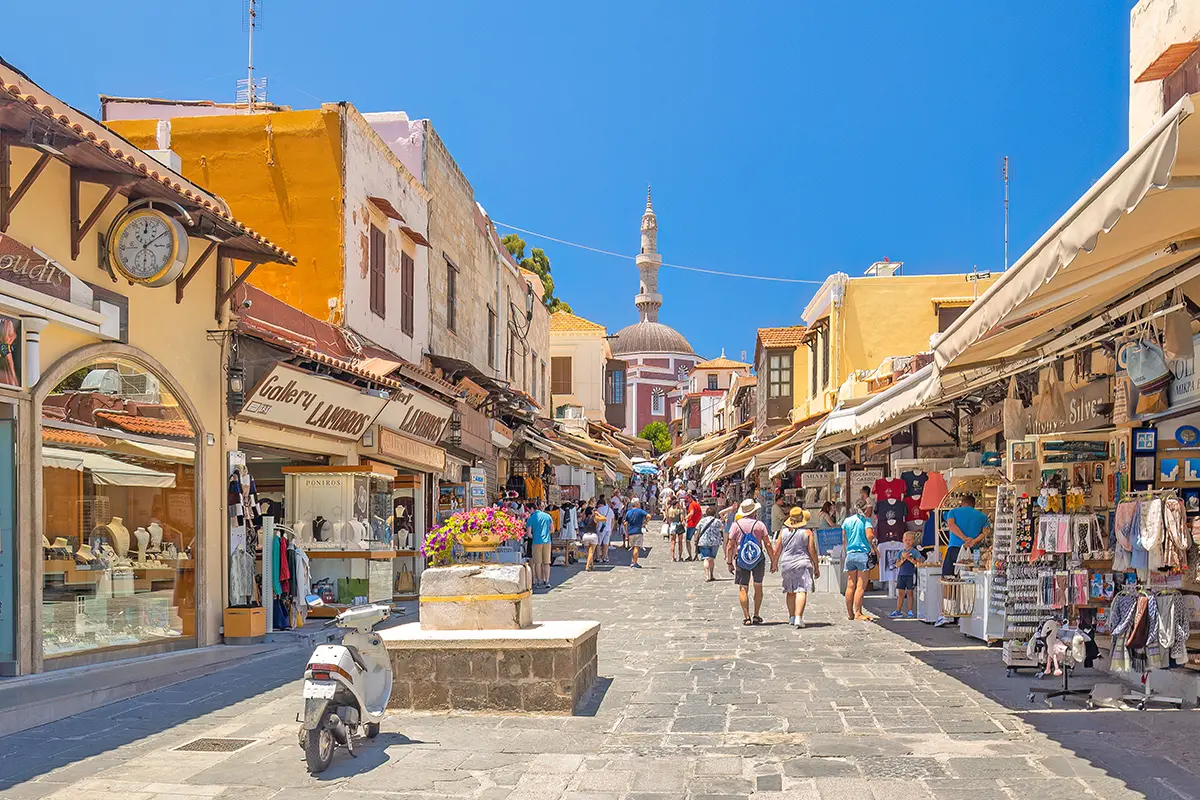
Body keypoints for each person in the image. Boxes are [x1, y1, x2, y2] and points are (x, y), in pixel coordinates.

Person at [936, 494, 991, 627]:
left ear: (962, 503)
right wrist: (973, 541)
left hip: (955, 547)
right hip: (973, 550)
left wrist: (964, 538)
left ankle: (947, 614)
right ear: (974, 504)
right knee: (969, 581)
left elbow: (951, 526)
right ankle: (965, 615)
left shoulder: (953, 512)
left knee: (948, 580)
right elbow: (986, 532)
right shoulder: (982, 517)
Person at [726, 499, 772, 625]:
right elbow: (767, 544)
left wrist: (729, 562)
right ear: (754, 511)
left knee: (743, 588)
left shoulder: (736, 525)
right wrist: (773, 561)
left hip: (742, 559)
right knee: (758, 586)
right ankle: (756, 614)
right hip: (758, 559)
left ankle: (746, 617)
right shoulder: (760, 525)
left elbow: (730, 545)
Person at [775, 507, 820, 628]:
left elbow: (777, 549)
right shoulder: (807, 533)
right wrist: (816, 566)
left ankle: (791, 617)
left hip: (787, 563)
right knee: (801, 589)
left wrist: (774, 563)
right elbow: (812, 551)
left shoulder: (783, 532)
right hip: (803, 563)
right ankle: (799, 617)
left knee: (790, 591)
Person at [843, 499, 877, 622]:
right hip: (862, 554)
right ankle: (858, 612)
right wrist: (873, 547)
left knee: (850, 585)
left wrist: (847, 552)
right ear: (865, 509)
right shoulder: (866, 521)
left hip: (850, 554)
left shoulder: (847, 521)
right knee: (860, 586)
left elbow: (844, 540)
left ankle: (850, 613)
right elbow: (869, 535)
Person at [890, 531, 925, 619]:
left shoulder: (915, 552)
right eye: (906, 540)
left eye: (910, 540)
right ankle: (898, 610)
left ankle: (910, 611)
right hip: (901, 575)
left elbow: (918, 563)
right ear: (903, 540)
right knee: (900, 593)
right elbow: (897, 565)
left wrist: (909, 559)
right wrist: (902, 559)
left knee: (910, 593)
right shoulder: (900, 552)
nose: (908, 541)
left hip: (910, 575)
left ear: (913, 541)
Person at [526, 500, 554, 588]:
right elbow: (552, 530)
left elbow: (529, 534)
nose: (528, 512)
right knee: (546, 563)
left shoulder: (531, 518)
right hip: (547, 541)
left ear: (532, 509)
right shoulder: (547, 516)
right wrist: (546, 534)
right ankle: (547, 581)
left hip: (536, 542)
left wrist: (535, 536)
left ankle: (538, 581)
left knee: (537, 563)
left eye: (528, 510)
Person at [695, 502, 724, 581]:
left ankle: (707, 576)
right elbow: (722, 529)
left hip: (703, 542)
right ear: (714, 514)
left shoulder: (702, 521)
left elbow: (697, 530)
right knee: (711, 559)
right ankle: (711, 574)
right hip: (715, 542)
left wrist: (695, 540)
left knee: (706, 559)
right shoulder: (717, 521)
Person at [624, 497, 649, 568]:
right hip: (638, 531)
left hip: (630, 532)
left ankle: (633, 561)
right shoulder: (640, 511)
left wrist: (626, 533)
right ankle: (634, 563)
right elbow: (648, 516)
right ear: (637, 504)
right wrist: (645, 522)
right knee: (637, 547)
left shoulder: (628, 512)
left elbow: (625, 523)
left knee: (633, 547)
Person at [579, 500, 600, 571]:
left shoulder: (584, 519)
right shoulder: (594, 519)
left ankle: (592, 565)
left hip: (585, 536)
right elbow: (603, 520)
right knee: (591, 552)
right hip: (593, 535)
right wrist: (598, 514)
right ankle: (587, 566)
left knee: (589, 552)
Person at [595, 495, 614, 564]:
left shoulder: (599, 510)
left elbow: (596, 520)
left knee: (598, 543)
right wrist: (611, 529)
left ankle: (598, 557)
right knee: (606, 544)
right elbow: (612, 521)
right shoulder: (610, 509)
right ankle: (605, 557)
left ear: (600, 504)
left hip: (600, 529)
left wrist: (596, 528)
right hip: (608, 529)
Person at [684, 492, 702, 562]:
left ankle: (690, 556)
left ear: (690, 498)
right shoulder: (697, 504)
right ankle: (697, 555)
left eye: (687, 499)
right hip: (697, 524)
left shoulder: (692, 505)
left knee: (688, 541)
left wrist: (686, 518)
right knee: (696, 541)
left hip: (691, 524)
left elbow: (691, 513)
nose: (687, 500)